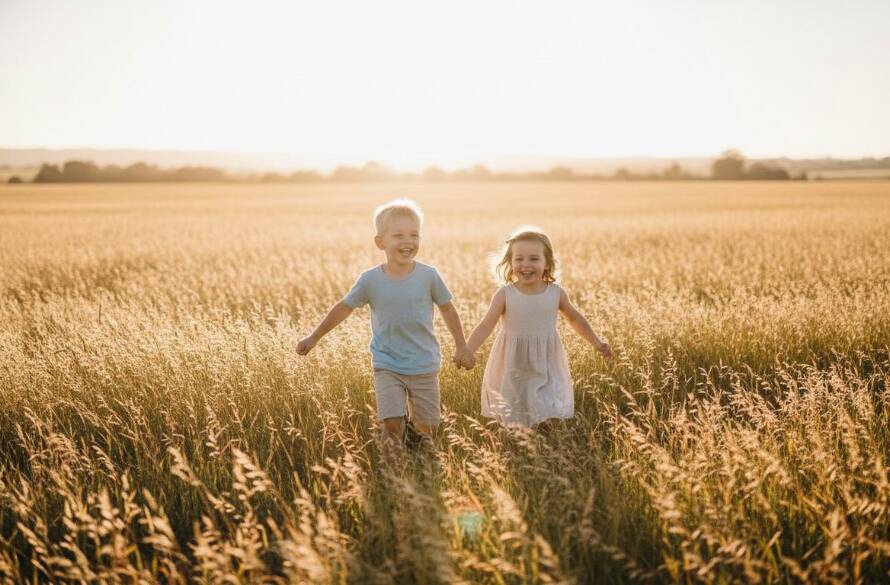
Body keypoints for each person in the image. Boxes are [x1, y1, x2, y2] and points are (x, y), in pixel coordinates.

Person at [297, 199, 473, 449]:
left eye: (414, 235)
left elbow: (448, 309)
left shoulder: (428, 275)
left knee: (428, 430)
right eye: (398, 235)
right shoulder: (370, 280)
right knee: (392, 424)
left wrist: (461, 346)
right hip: (387, 364)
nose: (407, 241)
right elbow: (344, 307)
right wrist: (314, 337)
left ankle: (424, 467)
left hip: (424, 363)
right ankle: (395, 477)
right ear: (380, 242)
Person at [464, 226, 611, 427]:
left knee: (549, 408)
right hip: (513, 361)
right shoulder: (505, 294)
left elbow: (575, 318)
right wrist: (468, 349)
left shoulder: (555, 293)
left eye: (534, 259)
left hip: (547, 361)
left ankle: (546, 449)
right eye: (519, 259)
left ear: (547, 263)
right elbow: (485, 325)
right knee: (512, 411)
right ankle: (510, 450)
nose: (526, 265)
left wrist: (597, 342)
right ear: (510, 262)